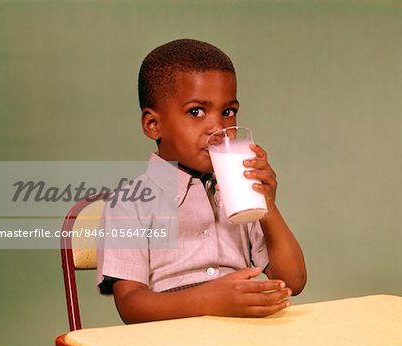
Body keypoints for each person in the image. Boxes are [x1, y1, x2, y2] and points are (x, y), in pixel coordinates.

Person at [97, 39, 306, 323]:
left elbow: (293, 282)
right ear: (153, 125)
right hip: (171, 341)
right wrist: (210, 300)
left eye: (228, 112)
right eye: (196, 111)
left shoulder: (239, 192)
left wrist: (268, 206)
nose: (218, 128)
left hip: (243, 336)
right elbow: (131, 306)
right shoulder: (130, 204)